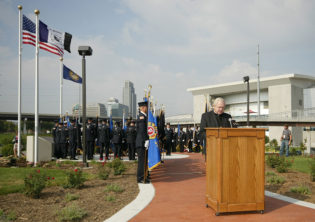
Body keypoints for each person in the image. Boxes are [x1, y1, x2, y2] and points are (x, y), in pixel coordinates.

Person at [136, 101, 150, 183]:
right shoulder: (142, 117)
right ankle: (140, 178)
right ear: (143, 108)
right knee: (142, 161)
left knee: (144, 160)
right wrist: (146, 140)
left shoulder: (144, 116)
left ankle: (144, 176)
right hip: (141, 142)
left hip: (143, 142)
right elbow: (142, 130)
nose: (147, 109)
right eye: (147, 107)